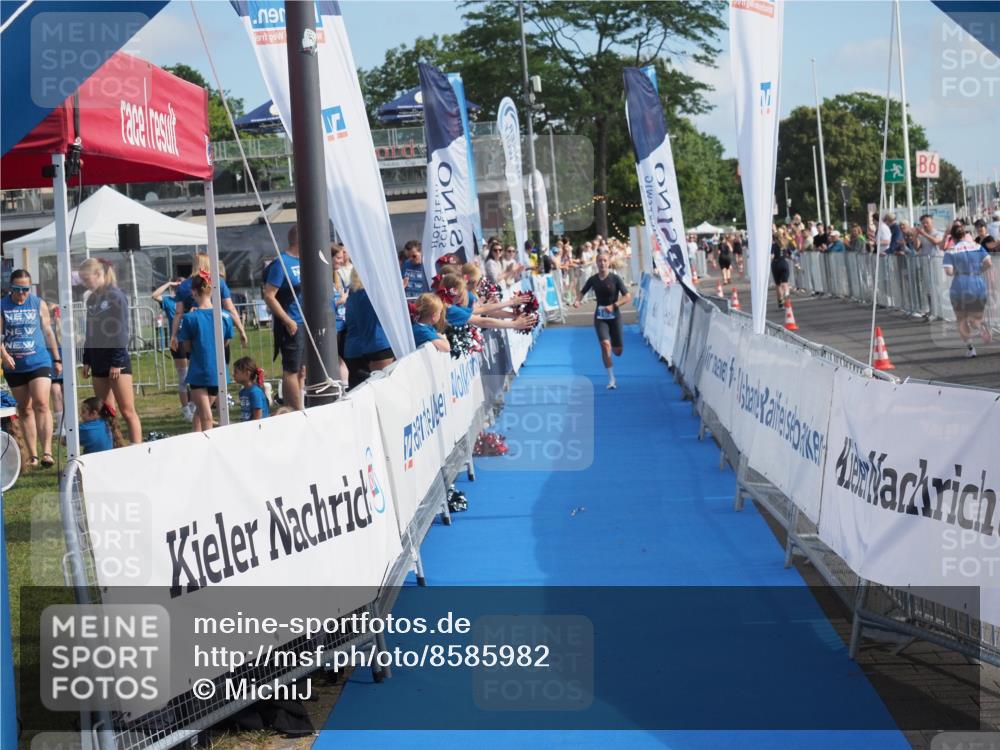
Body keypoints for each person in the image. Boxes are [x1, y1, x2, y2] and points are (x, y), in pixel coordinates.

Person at [1, 270, 61, 467]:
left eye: (26, 289)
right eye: (18, 289)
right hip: (14, 366)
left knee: (42, 403)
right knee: (25, 409)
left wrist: (57, 358)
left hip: (39, 361)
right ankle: (33, 455)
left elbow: (48, 331)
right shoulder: (3, 305)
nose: (22, 294)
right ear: (11, 288)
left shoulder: (37, 303)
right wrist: (5, 355)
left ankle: (47, 452)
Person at [79, 258, 142, 445]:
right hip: (97, 360)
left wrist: (117, 362)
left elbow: (121, 331)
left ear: (99, 274)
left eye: (86, 278)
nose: (84, 283)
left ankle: (137, 448)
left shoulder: (116, 296)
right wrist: (87, 359)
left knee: (127, 409)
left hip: (116, 360)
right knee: (105, 410)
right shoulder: (91, 298)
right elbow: (89, 332)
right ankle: (112, 445)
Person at [177, 273, 235, 431]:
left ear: (194, 292)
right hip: (217, 371)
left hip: (199, 371)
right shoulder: (225, 316)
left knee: (205, 415)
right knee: (203, 412)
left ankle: (207, 449)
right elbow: (225, 342)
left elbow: (187, 346)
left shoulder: (189, 318)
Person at [573, 252, 632, 390]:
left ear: (609, 262)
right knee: (605, 345)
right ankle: (611, 379)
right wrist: (577, 301)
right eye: (599, 261)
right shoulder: (593, 279)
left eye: (605, 260)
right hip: (600, 318)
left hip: (615, 316)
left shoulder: (615, 278)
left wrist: (614, 306)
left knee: (617, 351)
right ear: (596, 263)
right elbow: (582, 292)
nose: (602, 263)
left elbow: (627, 296)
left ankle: (613, 350)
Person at [263, 226, 306, 410]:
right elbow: (269, 294)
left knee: (301, 370)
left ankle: (296, 406)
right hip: (291, 323)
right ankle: (296, 410)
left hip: (303, 322)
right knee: (291, 369)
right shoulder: (281, 263)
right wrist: (287, 320)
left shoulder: (302, 261)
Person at [943, 224, 993, 357]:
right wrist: (978, 271)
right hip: (977, 283)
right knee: (975, 318)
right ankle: (980, 326)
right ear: (965, 234)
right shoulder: (977, 246)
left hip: (960, 285)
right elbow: (989, 263)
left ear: (952, 237)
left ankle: (971, 349)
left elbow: (949, 272)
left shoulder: (951, 250)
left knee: (961, 319)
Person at [343, 269, 395, 389]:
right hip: (378, 344)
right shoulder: (373, 294)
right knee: (381, 388)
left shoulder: (352, 293)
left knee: (357, 391)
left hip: (353, 348)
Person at [152, 277, 191, 417]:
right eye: (178, 284)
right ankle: (185, 409)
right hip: (177, 341)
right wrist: (169, 283)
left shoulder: (190, 298)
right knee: (183, 376)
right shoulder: (169, 301)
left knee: (194, 373)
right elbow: (154, 295)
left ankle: (193, 404)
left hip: (191, 340)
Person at [331, 246, 350, 383]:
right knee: (337, 361)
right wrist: (340, 301)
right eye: (338, 257)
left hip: (342, 325)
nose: (341, 260)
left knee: (342, 361)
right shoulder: (323, 278)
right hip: (333, 327)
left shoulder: (338, 276)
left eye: (341, 257)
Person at [233, 356, 270, 421]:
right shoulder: (242, 392)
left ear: (247, 373)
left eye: (236, 372)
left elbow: (257, 418)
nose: (233, 375)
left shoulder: (255, 392)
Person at [771, 235, 791, 308]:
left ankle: (780, 302)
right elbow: (789, 254)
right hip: (784, 263)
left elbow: (772, 256)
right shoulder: (785, 244)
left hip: (776, 264)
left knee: (778, 284)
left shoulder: (774, 245)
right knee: (785, 283)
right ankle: (787, 298)